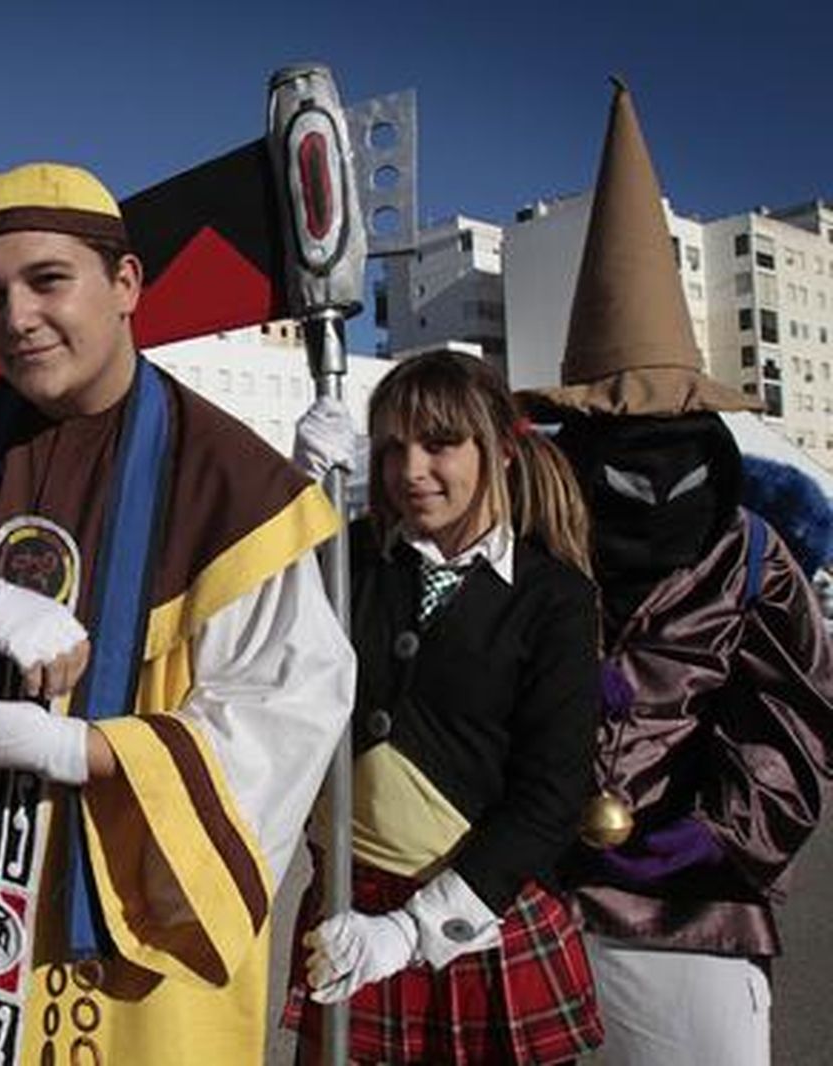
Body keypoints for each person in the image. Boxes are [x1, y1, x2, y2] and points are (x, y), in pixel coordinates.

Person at [0, 161, 355, 1065]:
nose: (15, 319)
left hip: (136, 930)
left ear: (126, 283)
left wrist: (85, 753)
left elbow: (288, 708)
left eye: (48, 280)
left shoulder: (227, 479)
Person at [521, 81, 833, 1066]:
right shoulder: (528, 540)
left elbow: (796, 713)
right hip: (530, 901)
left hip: (696, 918)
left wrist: (720, 831)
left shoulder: (749, 556)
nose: (649, 475)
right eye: (619, 435)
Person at [284, 349, 605, 1064]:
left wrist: (411, 929)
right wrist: (297, 500)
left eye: (439, 443)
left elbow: (551, 797)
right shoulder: (348, 560)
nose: (410, 470)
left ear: (498, 449)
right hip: (350, 900)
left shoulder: (554, 598)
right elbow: (266, 635)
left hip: (482, 911)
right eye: (392, 447)